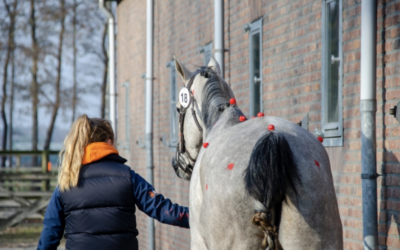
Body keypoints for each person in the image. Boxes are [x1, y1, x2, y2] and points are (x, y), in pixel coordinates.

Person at [37, 115, 189, 250]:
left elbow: (49, 236)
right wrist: (198, 216)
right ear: (109, 142)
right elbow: (164, 210)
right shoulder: (127, 176)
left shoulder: (66, 183)